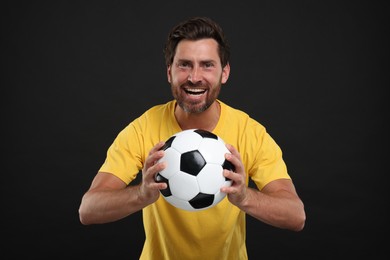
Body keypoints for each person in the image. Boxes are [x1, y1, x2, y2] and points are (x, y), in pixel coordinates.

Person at [78, 16, 306, 259]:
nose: (195, 77)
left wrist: (244, 197)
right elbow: (88, 209)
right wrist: (141, 194)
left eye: (207, 65)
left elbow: (296, 215)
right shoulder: (143, 129)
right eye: (184, 64)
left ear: (224, 72)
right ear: (169, 72)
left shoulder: (249, 132)